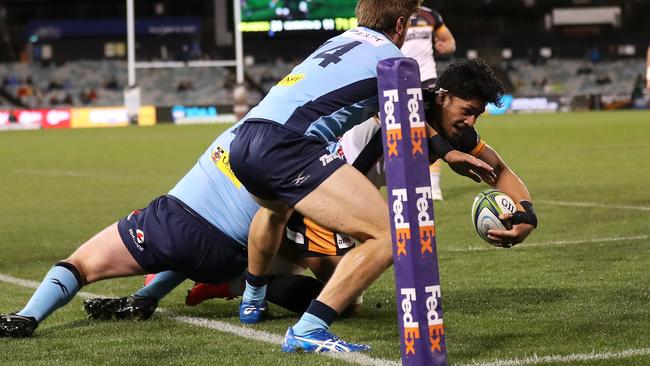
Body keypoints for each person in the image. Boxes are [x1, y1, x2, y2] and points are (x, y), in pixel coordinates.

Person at [227, 0, 505, 353]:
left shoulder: (337, 42)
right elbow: (409, 115)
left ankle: (252, 301)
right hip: (288, 147)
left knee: (273, 211)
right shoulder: (392, 59)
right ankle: (310, 328)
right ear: (402, 24)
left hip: (246, 137)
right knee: (392, 236)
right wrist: (448, 152)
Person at [0, 119, 374, 337]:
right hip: (232, 254)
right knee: (334, 292)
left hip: (178, 226)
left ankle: (26, 317)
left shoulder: (253, 131)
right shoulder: (311, 148)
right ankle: (173, 294)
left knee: (81, 264)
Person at [401, 5, 455, 201]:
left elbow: (450, 42)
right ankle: (408, 181)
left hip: (427, 78)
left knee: (433, 130)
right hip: (401, 79)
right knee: (405, 132)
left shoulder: (431, 15)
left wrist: (445, 47)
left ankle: (433, 185)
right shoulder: (395, 11)